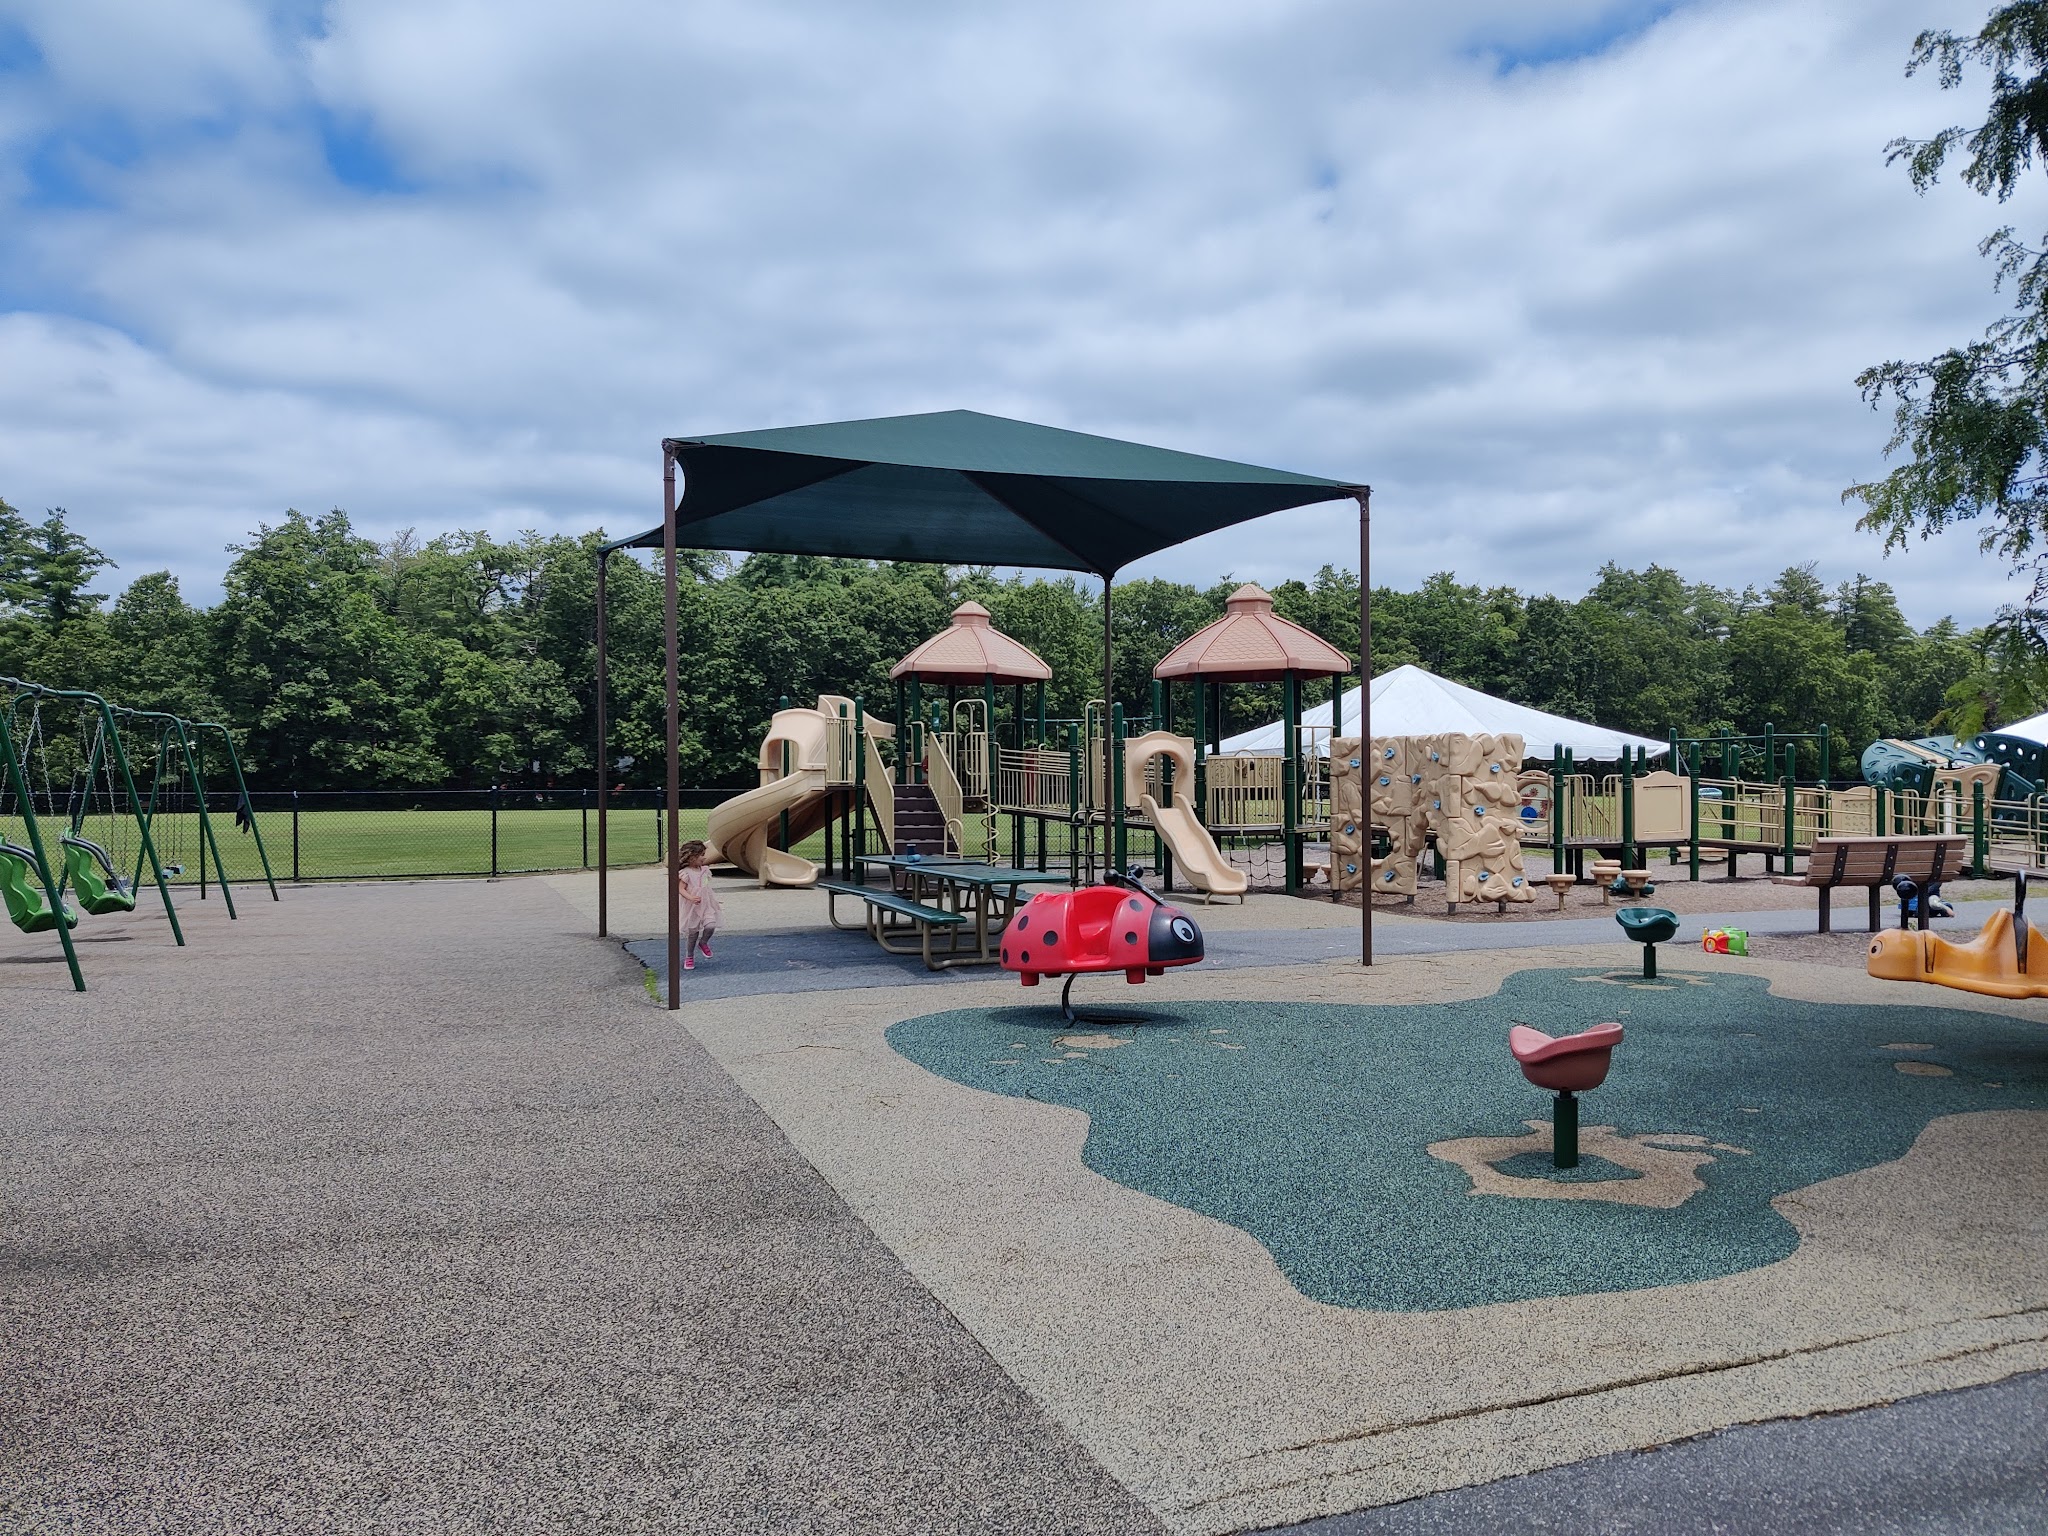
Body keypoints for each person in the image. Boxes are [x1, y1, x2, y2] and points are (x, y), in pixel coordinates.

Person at [676, 839, 723, 970]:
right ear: (691, 857)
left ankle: (703, 942)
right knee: (693, 933)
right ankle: (689, 956)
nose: (704, 857)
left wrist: (713, 900)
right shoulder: (686, 873)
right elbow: (680, 889)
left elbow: (706, 887)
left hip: (706, 904)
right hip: (692, 907)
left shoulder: (704, 870)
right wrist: (691, 897)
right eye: (701, 855)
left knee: (710, 925)